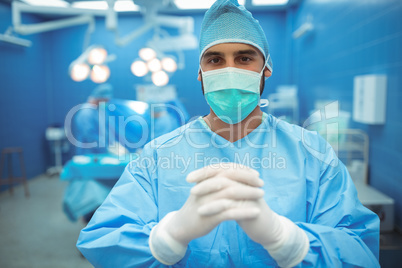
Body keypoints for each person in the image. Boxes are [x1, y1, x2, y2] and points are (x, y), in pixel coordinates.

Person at [76, 0, 380, 267]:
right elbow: (103, 238)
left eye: (245, 58)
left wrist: (289, 241)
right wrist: (167, 237)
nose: (229, 69)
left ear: (266, 69)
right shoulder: (159, 155)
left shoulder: (311, 152)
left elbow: (360, 252)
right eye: (215, 60)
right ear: (200, 72)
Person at [73, 83, 114, 155]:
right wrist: (105, 148)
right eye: (105, 100)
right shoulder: (86, 112)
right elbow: (89, 135)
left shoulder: (98, 111)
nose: (106, 103)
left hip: (98, 154)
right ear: (99, 99)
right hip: (88, 155)